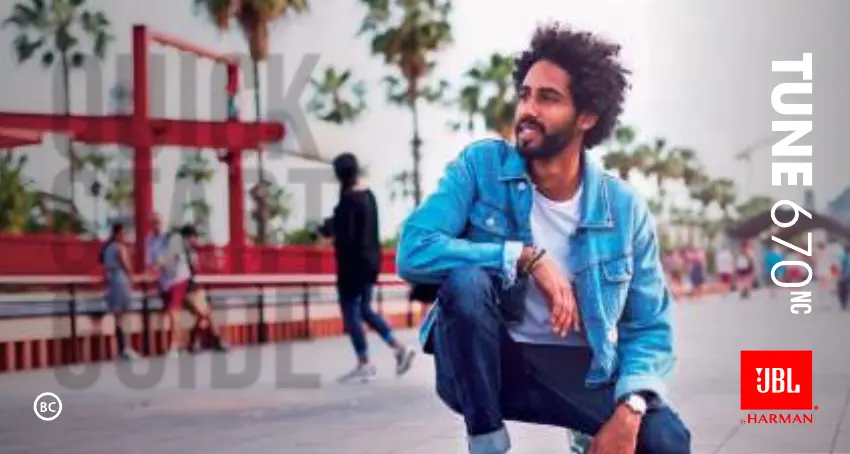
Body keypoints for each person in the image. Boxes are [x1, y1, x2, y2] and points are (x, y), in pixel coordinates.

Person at [396, 22, 690, 454]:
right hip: (488, 365)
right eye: (525, 94)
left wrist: (630, 409)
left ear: (586, 116)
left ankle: (586, 429)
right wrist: (522, 257)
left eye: (548, 98)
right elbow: (413, 249)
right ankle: (487, 443)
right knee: (466, 281)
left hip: (580, 369)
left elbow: (648, 326)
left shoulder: (623, 209)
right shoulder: (481, 167)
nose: (528, 109)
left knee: (667, 441)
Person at [329, 153, 416, 383]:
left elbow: (346, 236)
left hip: (352, 267)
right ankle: (399, 348)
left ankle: (364, 363)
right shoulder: (369, 195)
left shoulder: (348, 200)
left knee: (351, 313)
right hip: (371, 263)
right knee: (365, 310)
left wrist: (330, 233)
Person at [152, 224, 227, 356]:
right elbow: (166, 260)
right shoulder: (177, 246)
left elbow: (193, 268)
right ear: (188, 237)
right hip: (178, 285)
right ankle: (181, 344)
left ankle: (205, 339)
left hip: (189, 285)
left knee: (204, 312)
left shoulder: (191, 251)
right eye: (194, 237)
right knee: (177, 314)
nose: (195, 240)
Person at [100, 223, 140, 360]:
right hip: (121, 281)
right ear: (118, 234)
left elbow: (105, 267)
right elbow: (125, 265)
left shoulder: (107, 248)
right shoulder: (119, 247)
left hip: (112, 282)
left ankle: (121, 348)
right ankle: (125, 348)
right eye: (123, 234)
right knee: (123, 316)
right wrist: (132, 278)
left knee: (117, 317)